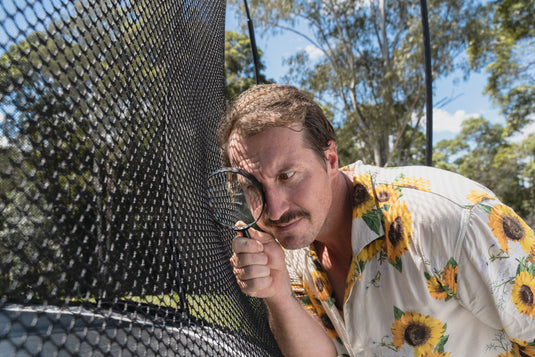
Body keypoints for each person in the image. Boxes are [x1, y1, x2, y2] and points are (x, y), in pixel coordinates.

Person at [218, 83, 535, 357]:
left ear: (330, 160)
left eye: (287, 175)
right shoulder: (292, 246)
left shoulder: (450, 218)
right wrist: (279, 296)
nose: (273, 211)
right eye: (251, 186)